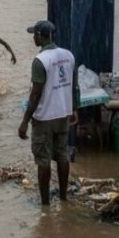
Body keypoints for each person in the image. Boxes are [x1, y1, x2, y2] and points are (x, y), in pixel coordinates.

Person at [18, 20, 77, 206]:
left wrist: (25, 121)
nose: (33, 38)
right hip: (63, 114)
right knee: (62, 155)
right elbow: (74, 87)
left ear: (41, 36)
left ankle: (45, 205)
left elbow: (35, 94)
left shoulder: (40, 60)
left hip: (44, 117)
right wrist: (75, 109)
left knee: (43, 160)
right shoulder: (68, 55)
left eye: (34, 34)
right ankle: (63, 196)